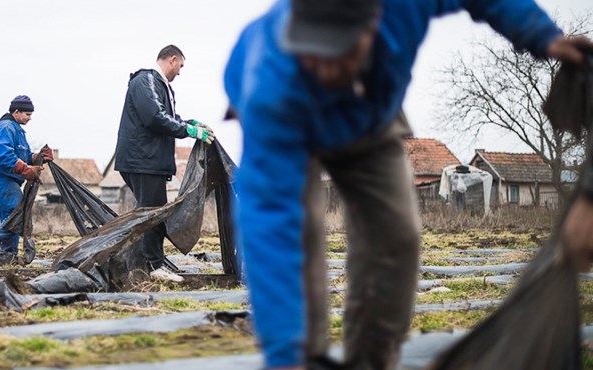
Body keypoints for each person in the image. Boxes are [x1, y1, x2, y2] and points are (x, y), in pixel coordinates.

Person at [223, 0, 593, 369]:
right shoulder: (272, 86)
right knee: (300, 237)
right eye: (313, 50)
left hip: (370, 114)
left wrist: (542, 35)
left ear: (372, 26)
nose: (324, 66)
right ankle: (302, 355)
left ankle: (371, 361)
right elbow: (270, 223)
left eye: (336, 52)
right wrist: (285, 356)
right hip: (293, 110)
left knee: (396, 236)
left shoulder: (404, 6)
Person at [114, 45, 215, 283]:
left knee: (151, 211)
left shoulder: (162, 87)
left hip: (149, 160)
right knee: (153, 213)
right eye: (180, 66)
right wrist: (188, 131)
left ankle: (140, 264)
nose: (180, 72)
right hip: (142, 159)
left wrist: (189, 122)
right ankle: (154, 266)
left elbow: (167, 117)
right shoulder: (145, 80)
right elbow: (154, 118)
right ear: (172, 60)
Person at [0, 95, 53, 267]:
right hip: (3, 181)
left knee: (10, 218)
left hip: (9, 181)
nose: (29, 118)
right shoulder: (6, 128)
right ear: (16, 111)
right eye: (27, 114)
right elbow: (4, 156)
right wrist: (26, 170)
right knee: (16, 215)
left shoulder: (17, 130)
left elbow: (24, 156)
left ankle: (6, 255)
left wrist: (38, 157)